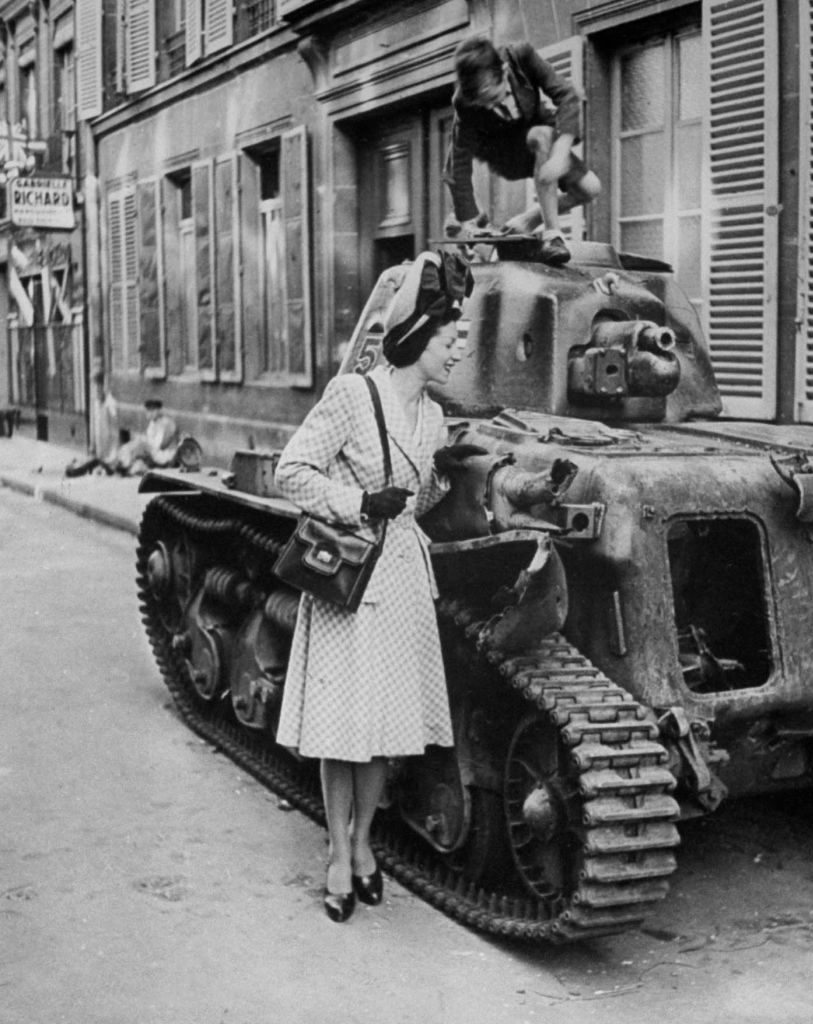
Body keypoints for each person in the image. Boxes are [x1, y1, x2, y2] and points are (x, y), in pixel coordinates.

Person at [273, 251, 484, 924]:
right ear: (421, 332)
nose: (459, 350)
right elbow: (290, 472)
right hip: (350, 578)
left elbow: (413, 506)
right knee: (341, 731)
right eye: (453, 338)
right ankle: (338, 851)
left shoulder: (432, 418)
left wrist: (440, 483)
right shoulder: (353, 396)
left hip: (399, 580)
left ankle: (364, 844)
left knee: (381, 731)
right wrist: (358, 502)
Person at [444, 35, 602, 267]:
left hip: (538, 135)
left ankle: (531, 217)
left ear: (505, 71)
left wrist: (560, 153)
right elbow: (457, 160)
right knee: (542, 135)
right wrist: (468, 220)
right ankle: (553, 235)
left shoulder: (521, 56)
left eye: (494, 98)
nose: (490, 107)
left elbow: (568, 95)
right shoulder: (463, 101)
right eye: (483, 104)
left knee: (591, 189)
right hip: (504, 152)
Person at [66, 395, 177, 478]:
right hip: (149, 450)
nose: (149, 413)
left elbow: (158, 445)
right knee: (129, 446)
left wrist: (143, 441)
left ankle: (112, 463)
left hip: (159, 454)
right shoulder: (153, 423)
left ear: (158, 410)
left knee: (137, 444)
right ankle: (109, 462)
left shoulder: (165, 423)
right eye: (148, 410)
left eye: (152, 410)